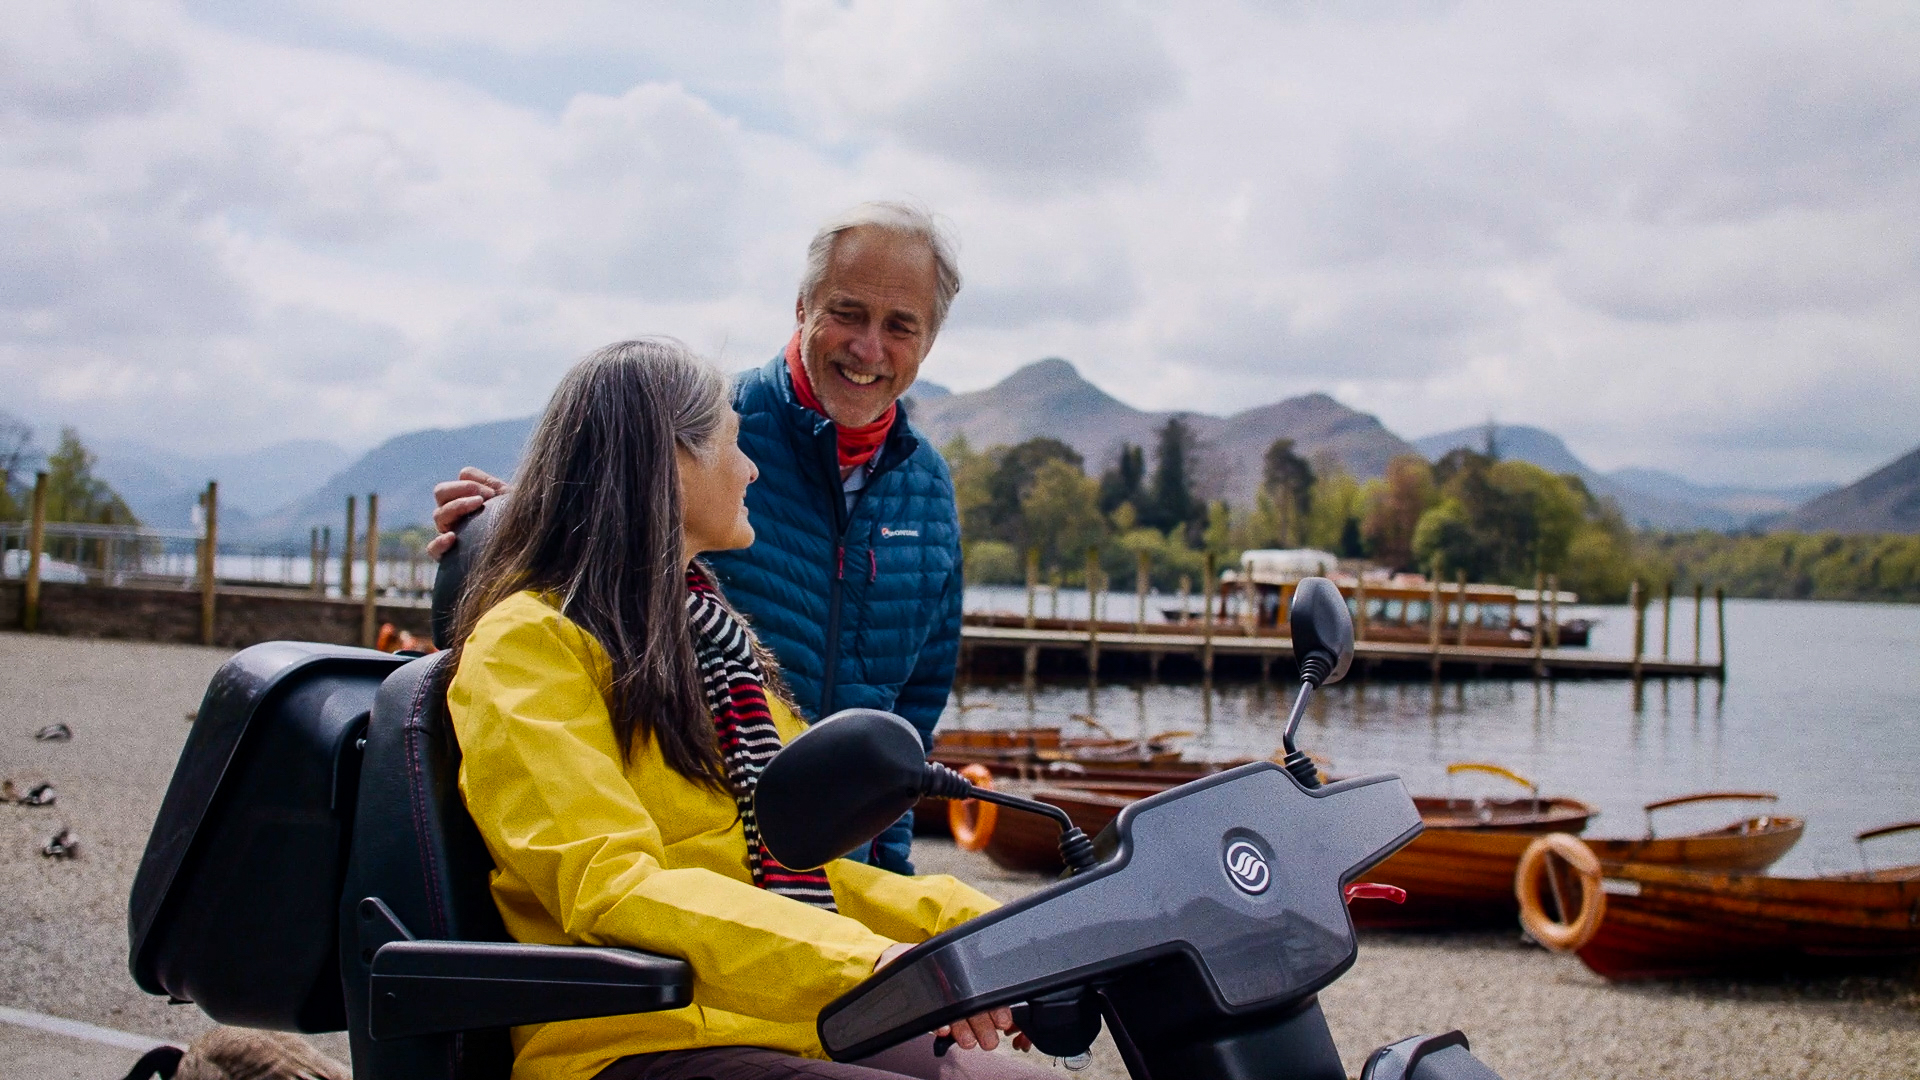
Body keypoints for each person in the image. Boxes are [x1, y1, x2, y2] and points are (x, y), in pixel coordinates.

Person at [444, 340, 1050, 1080]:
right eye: (732, 442)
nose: (751, 467)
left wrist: (992, 929)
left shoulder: (716, 649)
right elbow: (610, 886)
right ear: (669, 461)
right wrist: (869, 961)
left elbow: (801, 872)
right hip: (636, 1041)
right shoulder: (527, 645)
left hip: (776, 1016)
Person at [434, 202, 964, 874]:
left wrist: (888, 876)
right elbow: (590, 547)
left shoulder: (928, 487)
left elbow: (909, 722)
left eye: (899, 327)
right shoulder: (700, 430)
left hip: (835, 875)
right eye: (848, 313)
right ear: (802, 308)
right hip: (700, 857)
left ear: (929, 341)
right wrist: (510, 519)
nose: (868, 348)